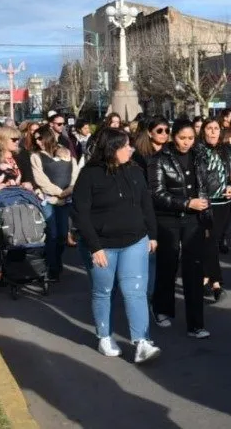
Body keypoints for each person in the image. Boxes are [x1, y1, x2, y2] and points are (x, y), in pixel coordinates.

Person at [71, 128, 161, 363]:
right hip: (103, 246)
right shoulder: (89, 175)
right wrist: (94, 247)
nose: (130, 149)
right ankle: (104, 336)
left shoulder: (135, 170)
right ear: (111, 149)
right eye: (124, 146)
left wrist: (152, 234)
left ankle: (142, 342)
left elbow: (145, 204)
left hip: (135, 240)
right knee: (103, 291)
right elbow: (80, 213)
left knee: (136, 291)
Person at [147, 119, 216, 338]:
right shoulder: (159, 159)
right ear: (172, 136)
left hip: (194, 219)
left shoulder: (199, 156)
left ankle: (196, 324)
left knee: (193, 269)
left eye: (190, 138)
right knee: (167, 265)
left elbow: (204, 187)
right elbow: (157, 194)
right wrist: (186, 203)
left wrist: (205, 216)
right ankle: (162, 309)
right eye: (182, 138)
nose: (186, 143)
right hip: (168, 219)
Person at [0, 125, 35, 276]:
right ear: (3, 140)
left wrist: (29, 182)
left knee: (18, 232)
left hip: (17, 201)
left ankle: (15, 265)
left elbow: (29, 173)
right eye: (14, 139)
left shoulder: (22, 154)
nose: (18, 142)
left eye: (19, 139)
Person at [30, 125, 79, 282]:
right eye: (35, 139)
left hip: (65, 201)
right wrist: (59, 192)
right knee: (52, 233)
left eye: (40, 138)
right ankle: (52, 267)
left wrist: (70, 189)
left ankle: (53, 259)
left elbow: (74, 171)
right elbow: (40, 180)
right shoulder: (36, 156)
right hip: (48, 200)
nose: (38, 141)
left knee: (63, 235)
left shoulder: (65, 152)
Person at [198, 118, 231, 296]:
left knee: (212, 242)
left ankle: (206, 276)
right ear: (203, 131)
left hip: (224, 203)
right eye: (209, 128)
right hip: (205, 203)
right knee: (210, 241)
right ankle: (216, 283)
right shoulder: (197, 151)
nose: (213, 132)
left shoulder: (228, 151)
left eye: (216, 128)